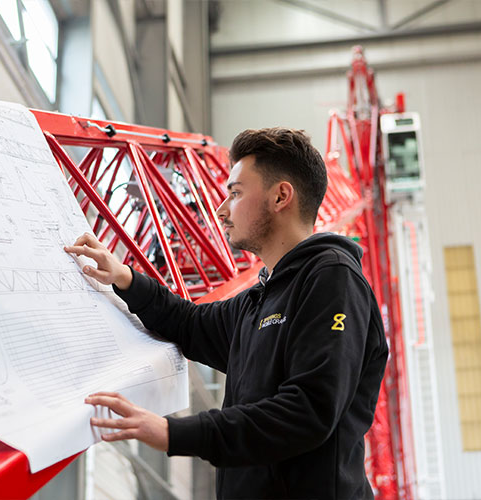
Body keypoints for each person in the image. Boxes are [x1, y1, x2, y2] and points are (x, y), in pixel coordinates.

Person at [65, 127, 388, 500]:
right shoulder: (260, 299)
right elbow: (188, 324)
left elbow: (309, 410)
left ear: (281, 196)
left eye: (235, 193)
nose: (221, 210)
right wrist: (125, 278)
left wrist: (175, 434)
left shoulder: (332, 280)